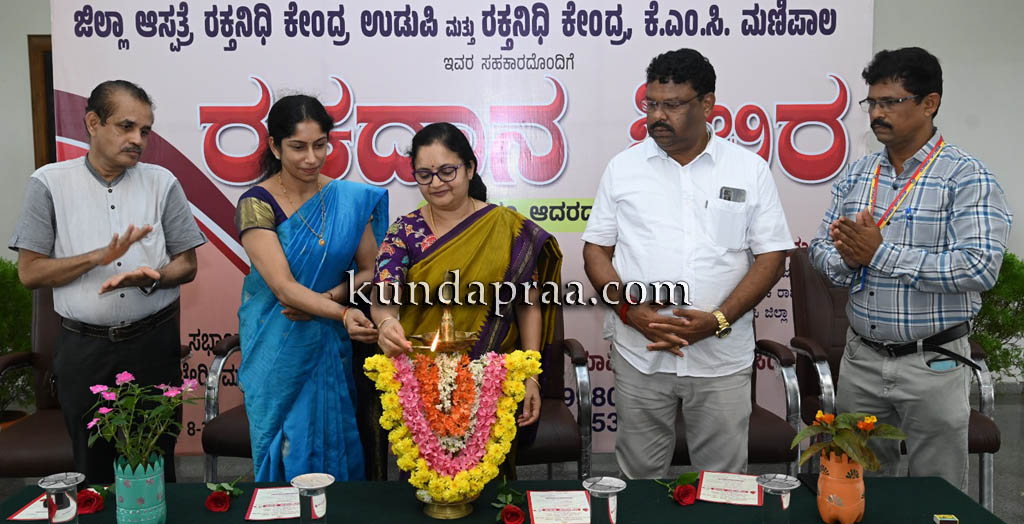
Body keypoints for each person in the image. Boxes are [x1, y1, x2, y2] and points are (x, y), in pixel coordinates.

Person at [581, 48, 793, 479]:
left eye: (673, 105)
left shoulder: (748, 169)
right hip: (641, 354)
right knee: (639, 478)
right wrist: (630, 312)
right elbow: (595, 252)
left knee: (723, 481)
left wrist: (717, 320)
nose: (658, 116)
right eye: (651, 104)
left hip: (720, 358)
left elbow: (771, 258)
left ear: (707, 104)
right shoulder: (623, 169)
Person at [808, 47, 1012, 489]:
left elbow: (979, 268)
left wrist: (880, 254)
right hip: (862, 359)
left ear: (929, 103)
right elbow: (820, 248)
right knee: (856, 485)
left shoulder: (966, 177)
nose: (876, 114)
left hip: (933, 363)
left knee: (935, 492)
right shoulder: (858, 174)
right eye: (872, 103)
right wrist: (847, 260)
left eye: (890, 102)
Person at [8, 80, 206, 482]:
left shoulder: (162, 182)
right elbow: (30, 272)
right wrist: (98, 257)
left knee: (156, 465)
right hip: (85, 350)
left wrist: (154, 277)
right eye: (126, 127)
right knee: (93, 470)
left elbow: (187, 265)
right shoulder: (49, 183)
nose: (138, 140)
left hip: (152, 345)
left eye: (145, 131)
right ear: (93, 122)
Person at [371, 122, 561, 436]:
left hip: (494, 384)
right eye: (424, 175)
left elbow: (528, 307)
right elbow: (384, 294)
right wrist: (386, 322)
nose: (436, 183)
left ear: (470, 168)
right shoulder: (404, 231)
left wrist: (531, 376)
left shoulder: (507, 228)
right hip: (422, 384)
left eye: (447, 171)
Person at [235, 94, 388, 482]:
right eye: (298, 147)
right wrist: (342, 312)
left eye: (320, 145)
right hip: (278, 341)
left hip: (329, 343)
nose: (311, 158)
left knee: (336, 441)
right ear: (274, 146)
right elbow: (284, 288)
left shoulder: (347, 200)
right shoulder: (257, 203)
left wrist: (330, 299)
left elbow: (370, 269)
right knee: (286, 446)